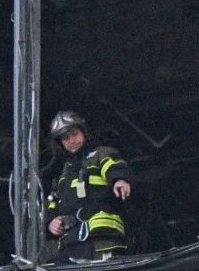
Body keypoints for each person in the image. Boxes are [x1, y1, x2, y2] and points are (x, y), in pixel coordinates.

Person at [42, 110, 135, 260]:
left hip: (102, 240)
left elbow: (114, 165)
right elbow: (52, 204)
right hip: (71, 244)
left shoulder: (100, 153)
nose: (71, 140)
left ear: (83, 132)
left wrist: (120, 180)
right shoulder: (62, 174)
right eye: (65, 138)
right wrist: (50, 223)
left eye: (74, 134)